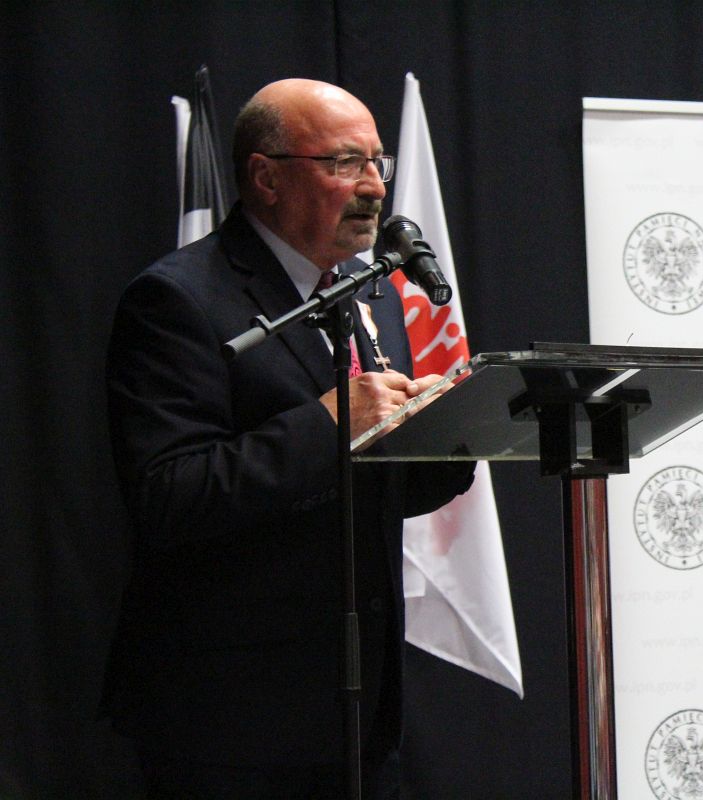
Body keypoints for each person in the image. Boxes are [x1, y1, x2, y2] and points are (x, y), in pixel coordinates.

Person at [104, 78, 474, 798]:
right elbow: (169, 496)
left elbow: (363, 490)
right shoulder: (177, 300)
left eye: (377, 163)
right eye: (344, 163)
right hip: (231, 721)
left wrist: (447, 436)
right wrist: (331, 422)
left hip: (357, 712)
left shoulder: (369, 289)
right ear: (266, 177)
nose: (373, 187)